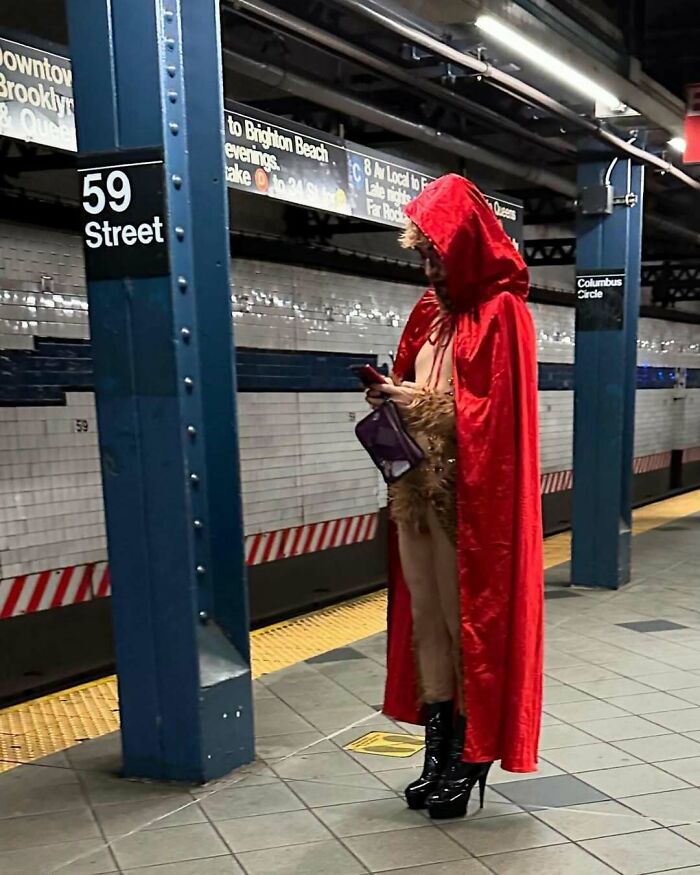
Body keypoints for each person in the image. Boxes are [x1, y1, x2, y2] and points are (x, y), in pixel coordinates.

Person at [366, 173, 543, 820]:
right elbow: (420, 387)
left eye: (438, 255)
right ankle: (437, 752)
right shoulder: (427, 315)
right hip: (416, 494)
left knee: (470, 623)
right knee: (429, 624)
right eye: (423, 257)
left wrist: (419, 401)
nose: (430, 269)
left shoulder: (502, 312)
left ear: (466, 245)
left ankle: (469, 758)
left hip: (470, 508)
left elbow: (493, 420)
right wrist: (390, 396)